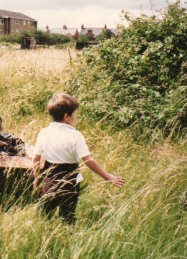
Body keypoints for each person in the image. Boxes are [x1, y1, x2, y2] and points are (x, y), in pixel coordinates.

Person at [32, 93, 125, 223]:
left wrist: (37, 179)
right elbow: (88, 160)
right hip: (69, 182)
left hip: (48, 180)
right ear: (66, 116)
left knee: (43, 214)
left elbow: (36, 159)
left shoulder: (44, 132)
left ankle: (42, 235)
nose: (76, 117)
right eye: (75, 114)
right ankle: (67, 237)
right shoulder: (75, 135)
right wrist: (108, 176)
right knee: (67, 216)